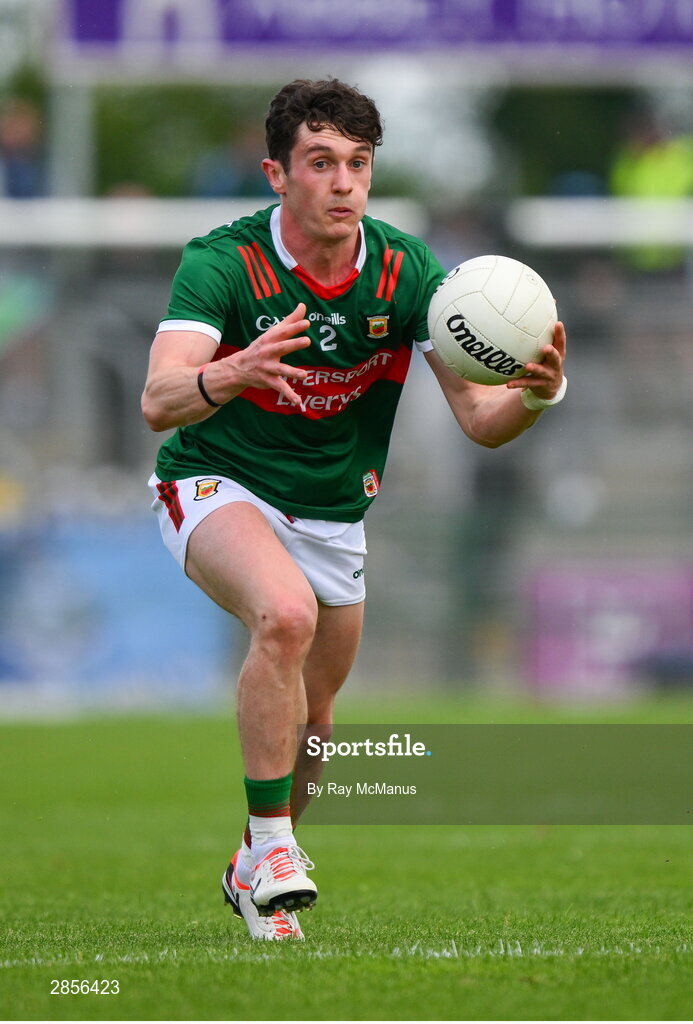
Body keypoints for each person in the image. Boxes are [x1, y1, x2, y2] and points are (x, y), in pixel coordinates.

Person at [141, 78, 567, 942]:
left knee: (319, 725)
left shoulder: (410, 273)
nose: (343, 182)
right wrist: (233, 372)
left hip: (332, 511)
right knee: (284, 616)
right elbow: (157, 399)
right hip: (213, 479)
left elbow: (481, 424)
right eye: (321, 162)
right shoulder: (221, 262)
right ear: (277, 174)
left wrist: (535, 396)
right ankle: (270, 846)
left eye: (359, 164)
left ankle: (252, 868)